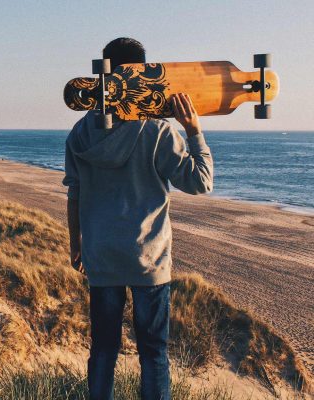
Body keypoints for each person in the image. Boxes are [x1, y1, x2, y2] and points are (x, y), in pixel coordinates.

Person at [62, 37, 214, 400]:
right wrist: (193, 131)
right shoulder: (158, 131)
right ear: (142, 75)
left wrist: (76, 246)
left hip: (101, 257)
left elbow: (74, 194)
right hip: (149, 259)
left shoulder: (80, 134)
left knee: (102, 350)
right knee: (153, 353)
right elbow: (201, 182)